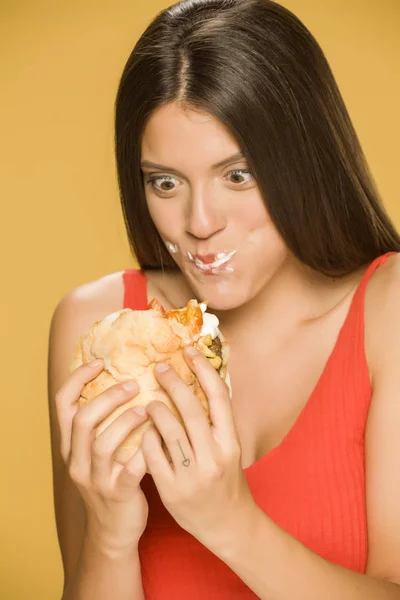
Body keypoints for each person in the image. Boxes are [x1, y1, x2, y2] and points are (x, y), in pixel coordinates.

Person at [47, 0, 400, 598]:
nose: (200, 222)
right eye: (165, 182)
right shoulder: (99, 326)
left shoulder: (387, 313)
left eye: (238, 175)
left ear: (304, 162)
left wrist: (229, 523)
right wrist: (110, 535)